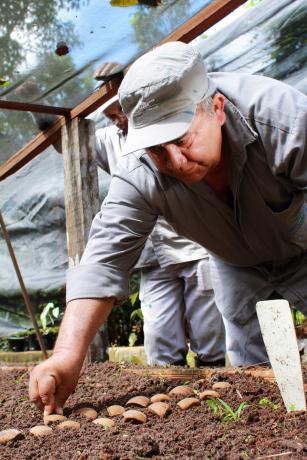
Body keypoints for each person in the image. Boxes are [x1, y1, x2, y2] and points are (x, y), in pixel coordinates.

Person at [29, 41, 307, 416]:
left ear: (217, 109)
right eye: (159, 149)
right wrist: (66, 356)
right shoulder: (140, 170)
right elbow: (104, 260)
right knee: (255, 384)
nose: (174, 160)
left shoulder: (284, 119)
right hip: (237, 264)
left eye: (182, 138)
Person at [94, 96, 225, 366]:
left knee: (207, 327)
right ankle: (171, 388)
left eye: (120, 111)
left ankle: (214, 380)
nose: (118, 120)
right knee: (159, 331)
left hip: (192, 245)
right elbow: (72, 143)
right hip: (151, 256)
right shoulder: (111, 139)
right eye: (111, 116)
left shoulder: (169, 121)